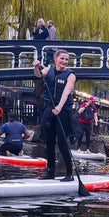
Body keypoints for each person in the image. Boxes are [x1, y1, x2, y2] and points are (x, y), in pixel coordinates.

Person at [33, 49, 76, 181]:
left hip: (63, 110)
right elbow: (39, 75)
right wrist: (35, 66)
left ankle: (69, 174)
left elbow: (66, 93)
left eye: (66, 59)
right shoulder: (49, 70)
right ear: (55, 59)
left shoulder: (71, 75)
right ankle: (51, 172)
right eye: (62, 58)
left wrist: (59, 107)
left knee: (62, 142)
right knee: (49, 141)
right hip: (49, 108)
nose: (64, 61)